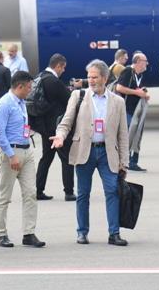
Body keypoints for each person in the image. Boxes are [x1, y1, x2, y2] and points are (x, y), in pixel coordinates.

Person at [52, 59, 129, 246]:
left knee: (112, 191)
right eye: (89, 77)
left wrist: (124, 162)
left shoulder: (118, 101)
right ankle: (82, 232)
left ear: (105, 78)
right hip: (85, 151)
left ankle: (114, 233)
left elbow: (123, 134)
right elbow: (66, 122)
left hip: (107, 153)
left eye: (95, 77)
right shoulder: (78, 96)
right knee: (83, 194)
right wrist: (60, 136)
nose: (91, 80)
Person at [0, 71, 45, 248]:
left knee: (30, 193)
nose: (30, 90)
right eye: (29, 87)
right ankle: (1, 234)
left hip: (26, 150)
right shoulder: (4, 104)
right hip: (10, 152)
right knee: (4, 195)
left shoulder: (21, 103)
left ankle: (29, 233)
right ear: (20, 86)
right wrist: (11, 155)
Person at [32, 53, 76, 202]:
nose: (63, 70)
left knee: (46, 158)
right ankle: (69, 191)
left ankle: (38, 190)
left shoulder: (40, 77)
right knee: (66, 158)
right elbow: (69, 100)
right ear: (58, 66)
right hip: (57, 127)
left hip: (44, 127)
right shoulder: (54, 81)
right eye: (63, 67)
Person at [116, 53, 150, 171]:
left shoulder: (140, 75)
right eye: (145, 61)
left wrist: (144, 93)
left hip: (137, 110)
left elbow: (138, 89)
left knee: (137, 134)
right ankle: (124, 161)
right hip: (127, 110)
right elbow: (119, 88)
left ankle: (133, 162)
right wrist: (137, 93)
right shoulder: (127, 71)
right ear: (138, 61)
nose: (147, 64)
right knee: (127, 136)